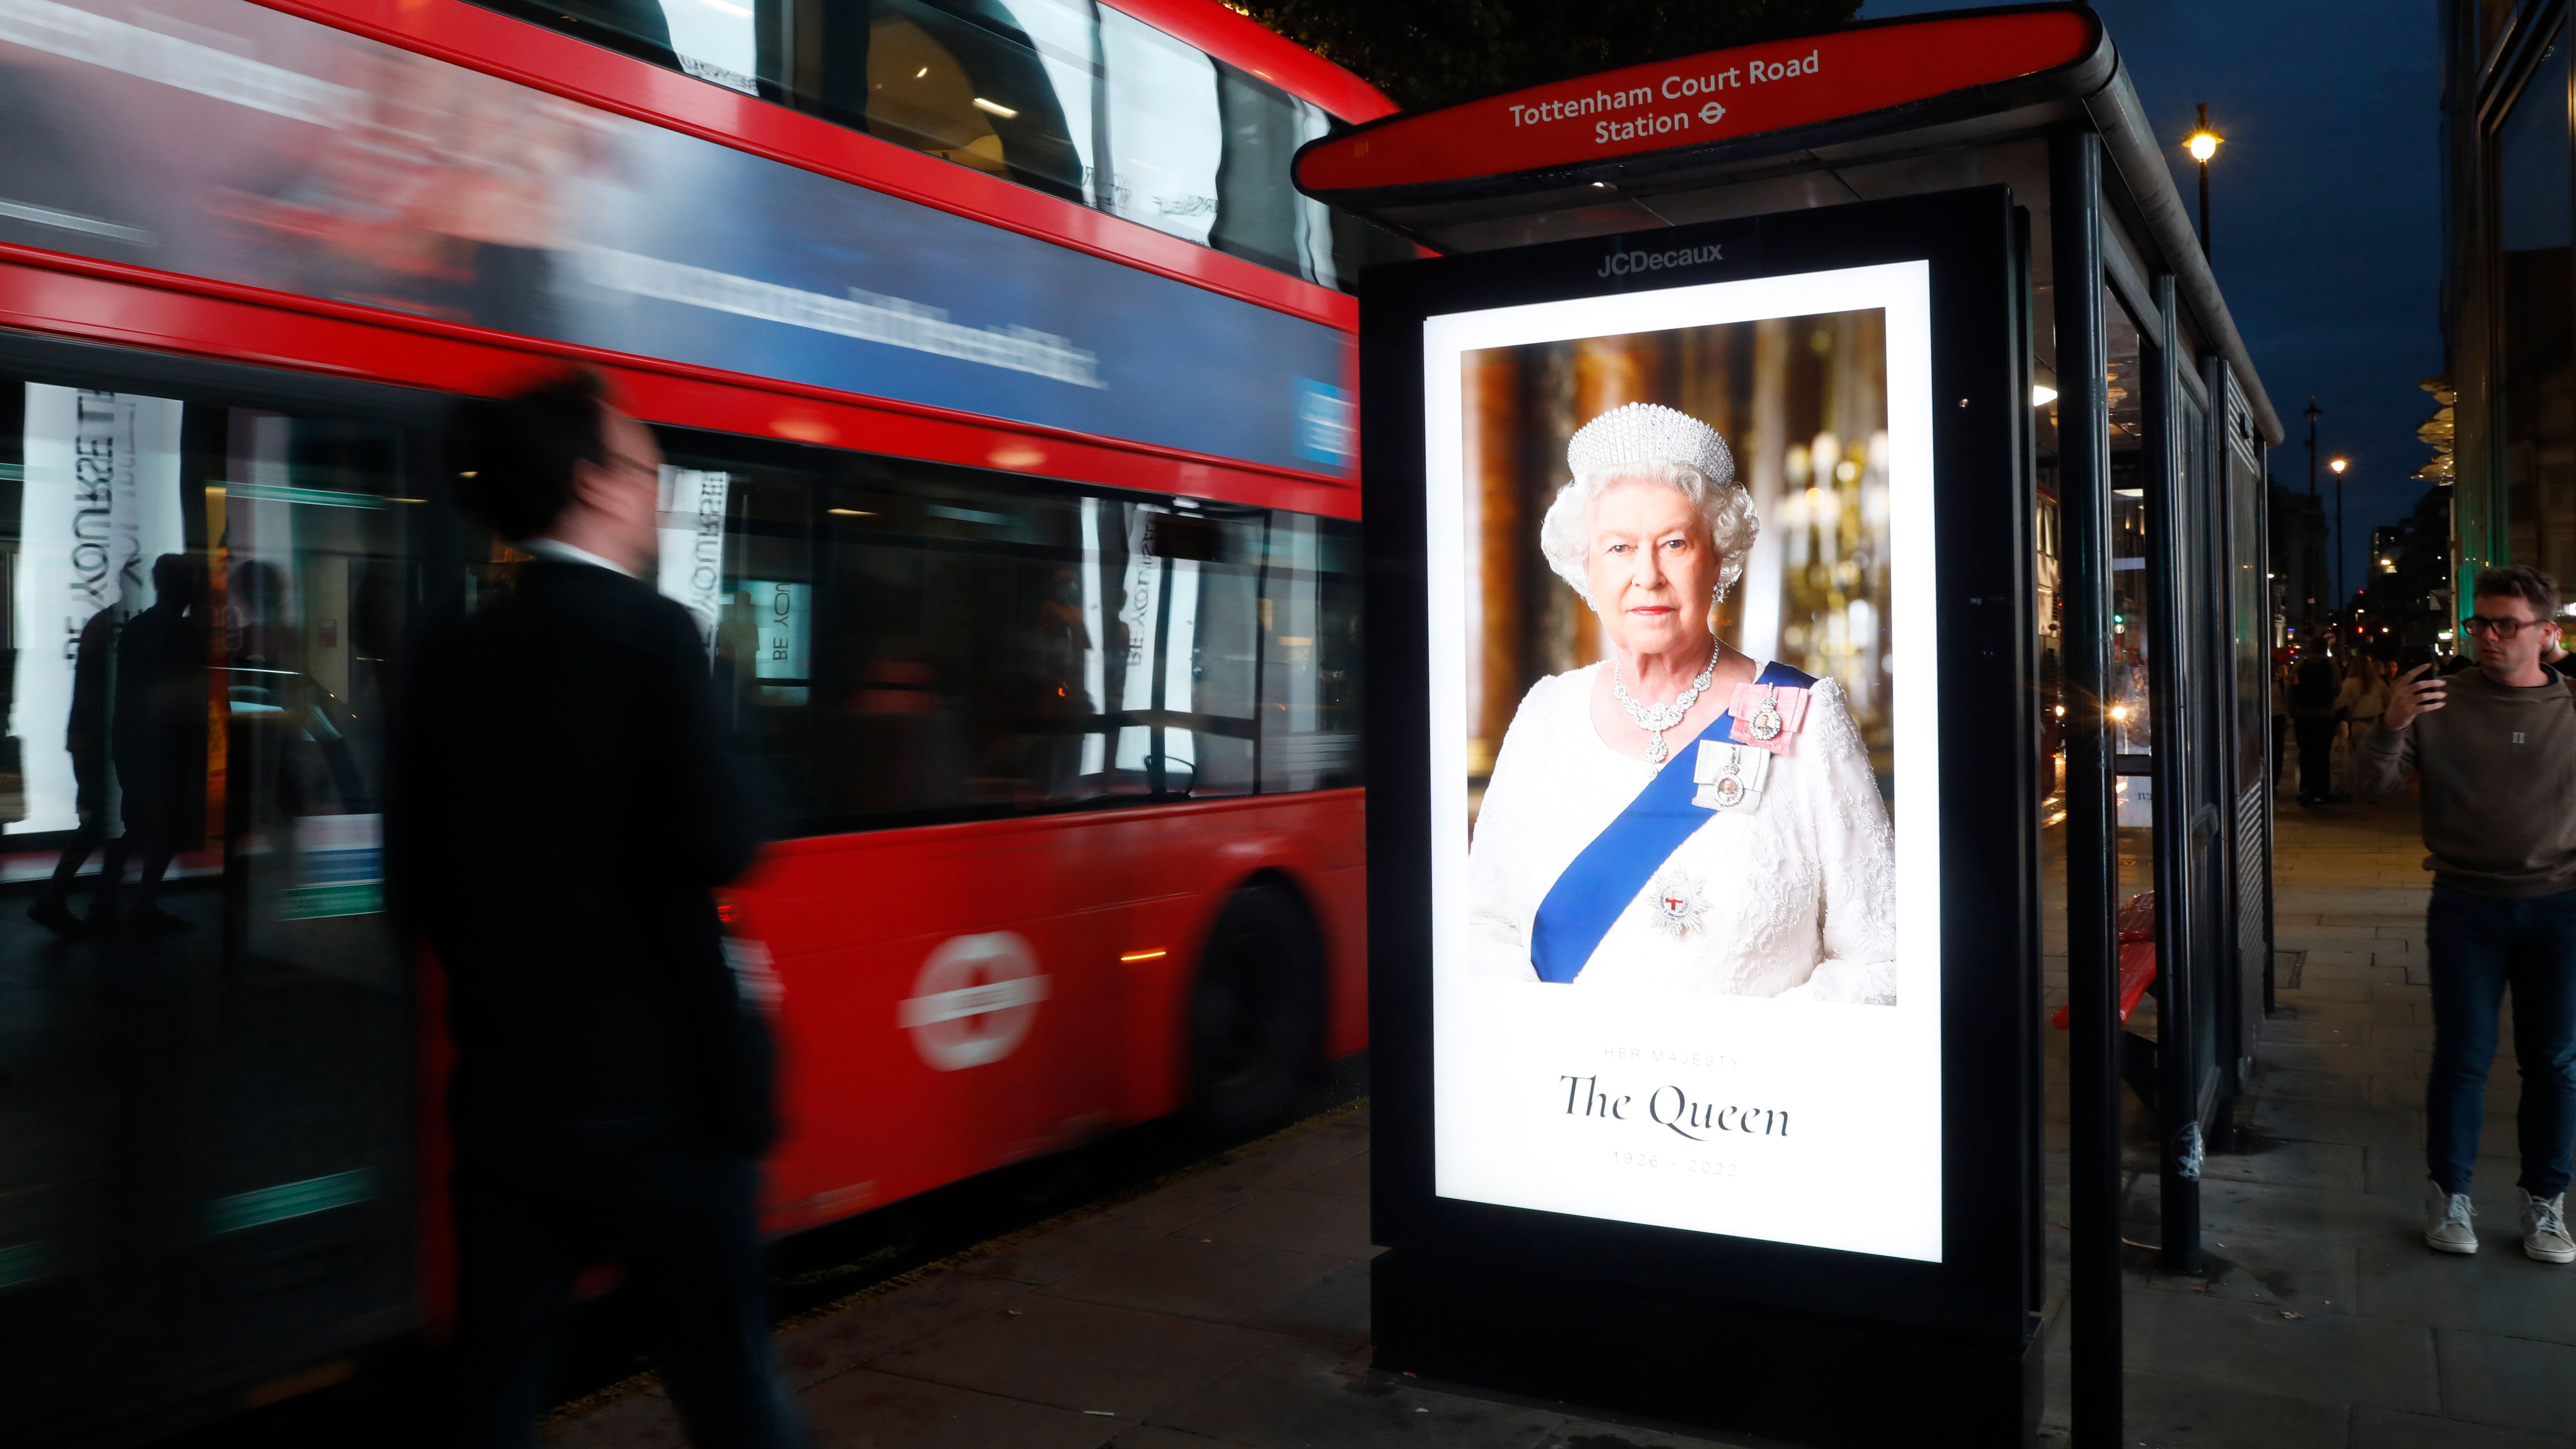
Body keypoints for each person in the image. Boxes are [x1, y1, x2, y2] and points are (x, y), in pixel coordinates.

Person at [388, 371, 807, 1448]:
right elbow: (726, 836)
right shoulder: (649, 634)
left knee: (489, 1394)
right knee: (733, 1394)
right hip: (658, 1104)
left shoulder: (454, 648)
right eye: (645, 470)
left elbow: (417, 882)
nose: (655, 493)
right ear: (595, 485)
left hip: (507, 1102)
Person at [1465, 402, 1896, 1003]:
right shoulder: (1545, 717)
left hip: (1746, 1095)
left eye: (1674, 543)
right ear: (1585, 567)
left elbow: (1881, 957)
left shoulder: (1806, 715)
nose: (1647, 575)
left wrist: (1733, 1065)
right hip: (1577, 1093)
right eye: (1618, 548)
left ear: (1718, 558)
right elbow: (1483, 928)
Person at [2352, 564, 2576, 1265]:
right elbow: (2369, 788)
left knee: (2555, 1063)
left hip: (2560, 907)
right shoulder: (2440, 702)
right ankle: (2451, 1194)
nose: (2488, 636)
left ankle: (2546, 1202)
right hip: (2466, 905)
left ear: (2548, 635)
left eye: (2507, 624)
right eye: (2482, 622)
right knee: (2464, 1055)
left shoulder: (2573, 709)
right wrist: (2392, 721)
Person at [94, 554, 207, 932]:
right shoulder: (182, 633)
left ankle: (109, 902)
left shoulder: (141, 629)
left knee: (139, 825)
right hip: (162, 745)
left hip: (137, 742)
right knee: (159, 826)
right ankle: (136, 904)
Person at [28, 606, 118, 936]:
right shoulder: (111, 624)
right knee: (102, 824)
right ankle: (67, 898)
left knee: (98, 823)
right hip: (99, 741)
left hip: (90, 739)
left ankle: (62, 898)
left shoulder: (102, 624)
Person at [2289, 647, 2342, 805]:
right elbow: (2338, 688)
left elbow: (2291, 688)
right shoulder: (2332, 666)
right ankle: (2321, 792)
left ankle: (2305, 789)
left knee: (2306, 753)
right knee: (2322, 754)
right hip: (2325, 716)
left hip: (2303, 716)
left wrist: (2293, 712)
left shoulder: (2300, 665)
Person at [2334, 654, 2388, 798]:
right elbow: (2388, 702)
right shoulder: (2378, 682)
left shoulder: (2350, 683)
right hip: (2377, 724)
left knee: (2360, 758)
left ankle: (2360, 787)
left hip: (2360, 724)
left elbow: (2338, 704)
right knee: (2376, 759)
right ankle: (2377, 788)